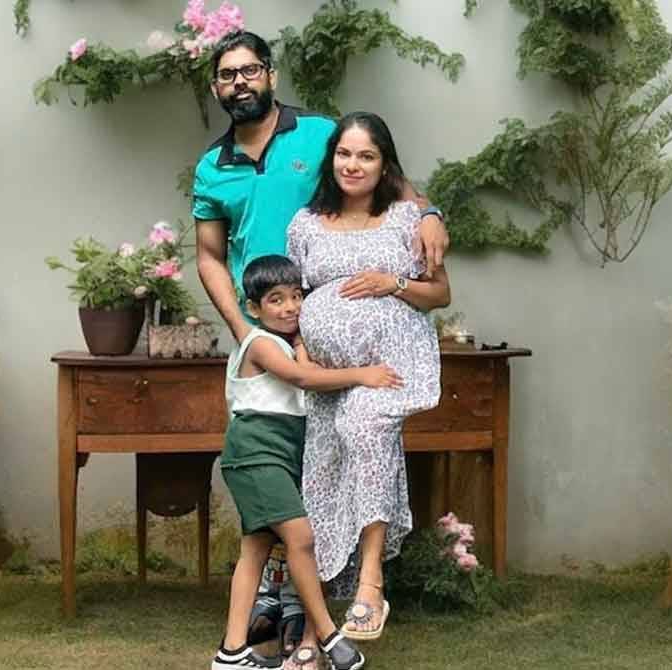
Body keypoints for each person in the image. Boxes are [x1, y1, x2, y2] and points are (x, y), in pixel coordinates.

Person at [193, 30, 450, 655]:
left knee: (331, 460)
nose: (240, 83)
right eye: (227, 76)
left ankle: (315, 613)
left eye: (249, 71)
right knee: (289, 466)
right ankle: (294, 613)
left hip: (337, 353)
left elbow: (388, 175)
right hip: (273, 337)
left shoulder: (318, 135)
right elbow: (207, 254)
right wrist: (245, 330)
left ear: (270, 75)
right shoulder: (212, 167)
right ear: (216, 88)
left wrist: (432, 212)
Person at [286, 112, 451, 645]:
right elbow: (297, 299)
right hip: (329, 375)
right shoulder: (305, 224)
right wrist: (303, 346)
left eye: (366, 155)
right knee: (326, 465)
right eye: (344, 153)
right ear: (331, 157)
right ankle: (320, 602)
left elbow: (439, 294)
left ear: (385, 166)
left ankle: (372, 580)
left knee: (364, 427)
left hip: (392, 365)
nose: (352, 165)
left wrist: (393, 281)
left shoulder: (407, 219)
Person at [212, 255, 400, 670]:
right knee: (301, 538)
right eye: (276, 300)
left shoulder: (288, 344)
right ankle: (330, 636)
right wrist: (363, 374)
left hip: (272, 456)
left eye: (297, 296)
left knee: (255, 550)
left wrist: (301, 345)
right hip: (257, 454)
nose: (290, 307)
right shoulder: (259, 344)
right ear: (253, 308)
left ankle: (231, 653)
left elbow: (306, 371)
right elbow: (303, 379)